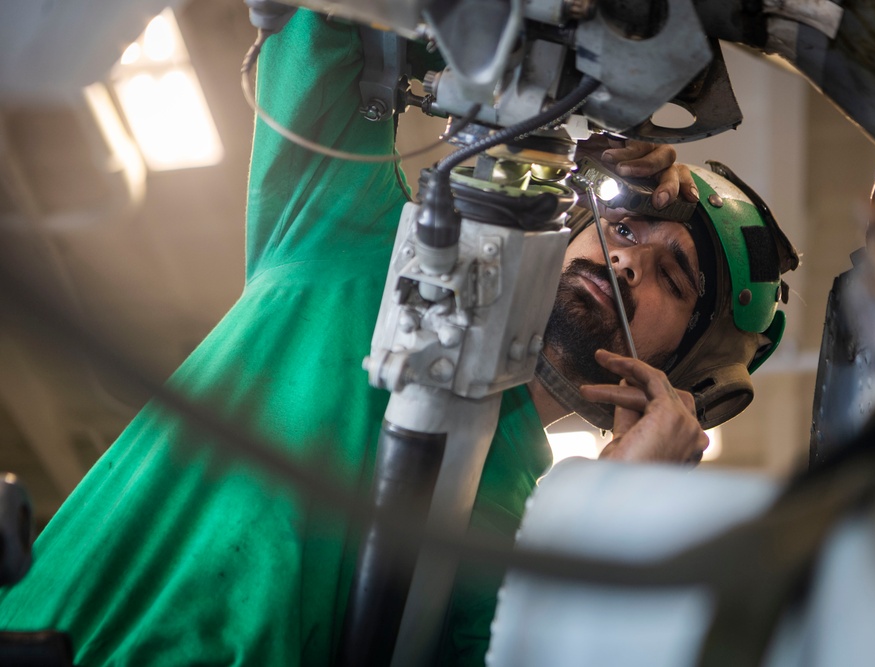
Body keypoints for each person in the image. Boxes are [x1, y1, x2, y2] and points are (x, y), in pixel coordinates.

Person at [0, 10, 796, 666]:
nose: (626, 259)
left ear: (678, 378)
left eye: (674, 278)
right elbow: (334, 26)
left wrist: (617, 506)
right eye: (621, 226)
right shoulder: (351, 237)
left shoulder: (529, 555)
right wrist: (527, 61)